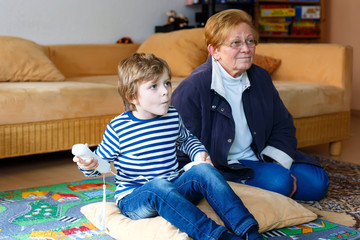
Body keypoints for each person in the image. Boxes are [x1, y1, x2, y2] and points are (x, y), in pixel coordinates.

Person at [73, 53, 264, 240]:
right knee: (158, 186)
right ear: (133, 97)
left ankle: (248, 230)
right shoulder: (118, 127)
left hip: (174, 189)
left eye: (167, 83)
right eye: (154, 86)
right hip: (136, 200)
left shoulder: (172, 116)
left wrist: (199, 153)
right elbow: (100, 164)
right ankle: (215, 235)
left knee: (204, 171)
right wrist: (88, 165)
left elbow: (186, 140)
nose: (165, 91)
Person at [171, 9, 329, 201]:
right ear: (214, 51)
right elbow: (179, 144)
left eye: (250, 41)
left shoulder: (260, 77)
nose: (246, 49)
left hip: (261, 157)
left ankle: (263, 185)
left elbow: (283, 124)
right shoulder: (193, 88)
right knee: (281, 183)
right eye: (236, 43)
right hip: (224, 166)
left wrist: (277, 163)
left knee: (318, 183)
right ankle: (238, 187)